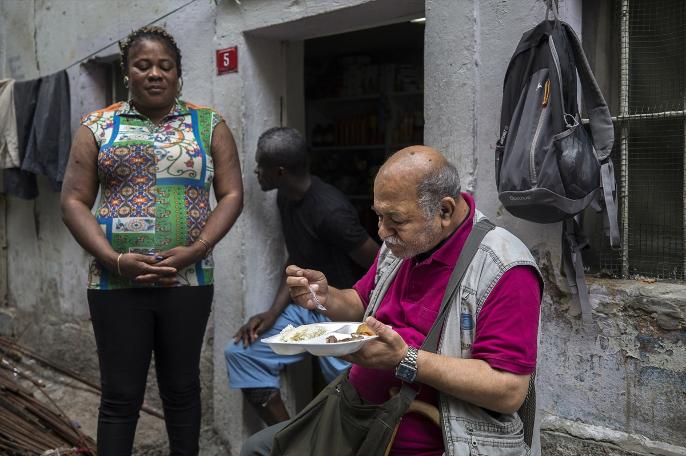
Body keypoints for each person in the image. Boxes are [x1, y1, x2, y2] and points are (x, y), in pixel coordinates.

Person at [242, 146, 543, 456]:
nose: (382, 232)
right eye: (379, 216)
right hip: (355, 412)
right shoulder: (403, 244)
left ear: (445, 211)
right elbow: (360, 301)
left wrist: (406, 359)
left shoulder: (503, 267)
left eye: (395, 220)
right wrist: (325, 296)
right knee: (258, 448)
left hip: (426, 440)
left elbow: (508, 391)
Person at [60, 26, 243, 456]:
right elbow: (72, 201)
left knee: (181, 389)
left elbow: (232, 194)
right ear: (128, 72)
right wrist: (113, 259)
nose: (155, 73)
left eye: (166, 66)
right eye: (143, 65)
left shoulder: (208, 124)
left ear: (178, 73)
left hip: (188, 281)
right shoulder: (98, 126)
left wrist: (197, 250)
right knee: (120, 396)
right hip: (115, 283)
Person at [225, 127, 379, 426]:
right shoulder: (286, 196)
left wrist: (365, 318)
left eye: (261, 165)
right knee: (243, 353)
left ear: (280, 171)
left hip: (342, 312)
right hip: (307, 309)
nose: (257, 171)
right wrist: (272, 313)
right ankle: (291, 441)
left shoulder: (330, 212)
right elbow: (299, 258)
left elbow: (379, 263)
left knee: (352, 392)